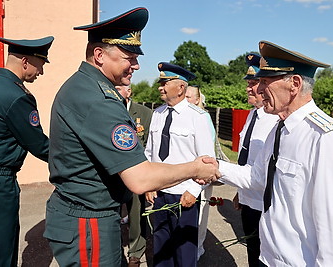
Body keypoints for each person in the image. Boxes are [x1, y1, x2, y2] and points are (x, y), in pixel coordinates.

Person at [43, 8, 218, 267]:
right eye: (129, 57)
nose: (136, 65)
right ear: (99, 55)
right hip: (88, 220)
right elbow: (139, 178)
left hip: (91, 214)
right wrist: (195, 168)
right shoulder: (97, 100)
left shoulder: (88, 88)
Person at [202, 40, 333, 266]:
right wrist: (216, 167)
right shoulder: (279, 128)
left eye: (265, 81)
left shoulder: (325, 137)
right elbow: (258, 178)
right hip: (269, 257)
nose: (260, 89)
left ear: (294, 84)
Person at [0, 36, 54, 266]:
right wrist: (74, 160)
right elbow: (39, 144)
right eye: (41, 64)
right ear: (26, 61)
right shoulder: (16, 96)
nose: (41, 72)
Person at [145, 63, 216, 267]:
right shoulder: (157, 114)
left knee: (184, 252)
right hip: (159, 193)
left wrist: (194, 190)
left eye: (165, 82)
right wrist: (150, 185)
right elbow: (149, 153)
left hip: (184, 195)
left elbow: (207, 160)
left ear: (181, 88)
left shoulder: (198, 117)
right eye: (160, 82)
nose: (160, 86)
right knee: (161, 247)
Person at [230, 53, 278, 267]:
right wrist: (240, 192)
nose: (248, 88)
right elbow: (248, 159)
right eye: (248, 83)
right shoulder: (252, 115)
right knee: (252, 253)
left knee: (265, 258)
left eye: (254, 83)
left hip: (266, 204)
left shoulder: (276, 120)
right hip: (249, 198)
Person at [116, 85, 152, 267]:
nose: (115, 90)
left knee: (136, 212)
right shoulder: (108, 109)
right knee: (113, 212)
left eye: (119, 88)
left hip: (137, 171)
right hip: (114, 171)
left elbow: (151, 143)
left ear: (129, 91)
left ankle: (136, 252)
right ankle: (114, 248)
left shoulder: (145, 113)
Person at [184, 85, 214, 260]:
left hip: (201, 175)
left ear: (197, 100)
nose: (186, 100)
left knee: (201, 212)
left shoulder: (203, 118)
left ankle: (198, 247)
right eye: (184, 96)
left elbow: (207, 153)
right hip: (185, 174)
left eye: (189, 97)